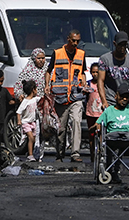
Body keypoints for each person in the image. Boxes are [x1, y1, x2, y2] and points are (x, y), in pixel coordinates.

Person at [47, 30, 86, 162]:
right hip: (61, 96)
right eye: (73, 41)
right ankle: (60, 153)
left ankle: (75, 153)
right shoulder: (57, 53)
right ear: (68, 39)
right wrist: (47, 85)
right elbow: (49, 71)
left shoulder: (81, 55)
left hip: (76, 96)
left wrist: (84, 82)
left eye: (78, 41)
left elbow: (83, 72)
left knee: (76, 121)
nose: (75, 44)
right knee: (61, 128)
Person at [97, 31, 129, 109]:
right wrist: (104, 101)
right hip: (110, 100)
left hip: (125, 100)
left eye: (125, 45)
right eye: (120, 45)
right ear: (114, 44)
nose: (122, 47)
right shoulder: (105, 59)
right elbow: (100, 81)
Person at [16, 79, 40, 162]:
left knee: (33, 138)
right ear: (33, 90)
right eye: (36, 89)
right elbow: (18, 112)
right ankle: (30, 155)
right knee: (30, 138)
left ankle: (30, 153)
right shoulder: (25, 102)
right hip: (26, 122)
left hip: (33, 122)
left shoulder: (35, 99)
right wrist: (19, 121)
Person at [86, 62, 104, 156]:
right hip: (91, 112)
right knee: (91, 135)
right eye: (93, 72)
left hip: (101, 113)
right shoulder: (89, 84)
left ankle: (101, 153)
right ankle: (93, 155)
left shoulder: (104, 84)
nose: (95, 74)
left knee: (101, 134)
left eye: (97, 72)